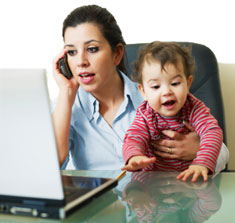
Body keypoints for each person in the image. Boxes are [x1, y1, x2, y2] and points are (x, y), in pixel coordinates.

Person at [52, 4, 228, 172]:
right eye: (71, 52)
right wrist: (66, 93)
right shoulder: (65, 105)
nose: (81, 61)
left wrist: (197, 151)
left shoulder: (158, 96)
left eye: (92, 49)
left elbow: (222, 153)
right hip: (98, 201)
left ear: (117, 54)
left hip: (158, 198)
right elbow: (51, 164)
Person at [122, 41, 224, 182]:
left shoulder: (194, 108)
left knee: (209, 202)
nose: (167, 92)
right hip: (154, 182)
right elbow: (134, 136)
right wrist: (135, 156)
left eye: (175, 83)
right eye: (156, 86)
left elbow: (212, 132)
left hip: (189, 180)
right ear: (143, 91)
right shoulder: (146, 113)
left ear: (188, 83)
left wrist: (201, 162)